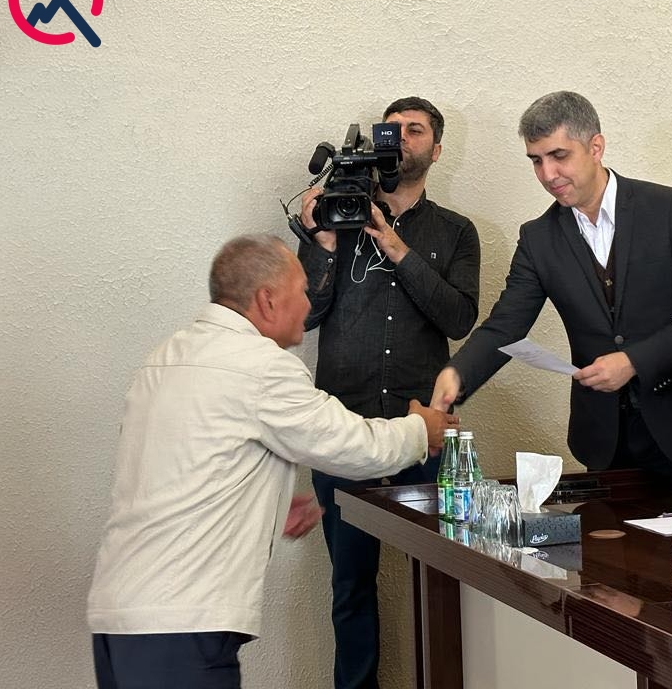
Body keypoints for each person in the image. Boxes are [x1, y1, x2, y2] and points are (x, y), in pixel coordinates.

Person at [87, 234, 455, 689]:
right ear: (267, 300)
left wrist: (268, 501)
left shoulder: (164, 358)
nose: (310, 304)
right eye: (303, 290)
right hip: (181, 624)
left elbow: (181, 468)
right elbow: (354, 446)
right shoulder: (260, 365)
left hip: (120, 616)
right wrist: (421, 429)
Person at [431, 91, 672, 490]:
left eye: (559, 156)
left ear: (596, 147)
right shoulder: (537, 238)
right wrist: (457, 373)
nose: (548, 174)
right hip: (603, 441)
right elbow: (505, 325)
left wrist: (633, 361)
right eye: (536, 160)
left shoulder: (669, 208)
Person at [297, 97, 479, 689]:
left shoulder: (456, 231)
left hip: (425, 433)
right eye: (390, 128)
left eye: (414, 130)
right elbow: (304, 315)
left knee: (444, 577)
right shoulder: (337, 215)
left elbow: (459, 318)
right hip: (342, 432)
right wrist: (323, 242)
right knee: (350, 584)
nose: (400, 137)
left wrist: (397, 249)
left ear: (437, 149)